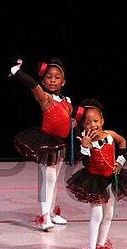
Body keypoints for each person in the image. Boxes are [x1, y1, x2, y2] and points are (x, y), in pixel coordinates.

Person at [10, 58, 77, 231]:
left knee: (54, 180)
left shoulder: (67, 100)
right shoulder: (45, 98)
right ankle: (45, 216)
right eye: (48, 77)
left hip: (60, 143)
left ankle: (52, 212)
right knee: (49, 179)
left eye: (56, 77)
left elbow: (67, 119)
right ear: (43, 80)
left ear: (64, 81)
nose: (52, 80)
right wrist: (17, 72)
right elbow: (33, 86)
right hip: (46, 143)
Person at [66, 98, 127, 249]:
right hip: (94, 181)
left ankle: (101, 247)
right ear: (83, 126)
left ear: (102, 120)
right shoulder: (86, 141)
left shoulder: (110, 135)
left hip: (111, 178)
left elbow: (123, 142)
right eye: (88, 123)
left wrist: (120, 161)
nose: (93, 125)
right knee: (96, 215)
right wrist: (85, 147)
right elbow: (86, 163)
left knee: (109, 214)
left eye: (96, 121)